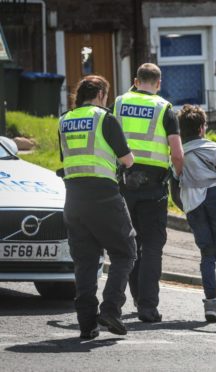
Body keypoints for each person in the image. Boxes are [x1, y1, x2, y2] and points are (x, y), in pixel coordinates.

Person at [58, 75, 137, 339]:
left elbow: (66, 158)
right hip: (103, 197)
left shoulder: (64, 120)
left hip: (73, 199)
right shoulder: (105, 118)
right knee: (125, 252)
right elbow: (126, 159)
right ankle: (111, 309)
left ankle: (86, 324)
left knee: (85, 263)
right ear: (101, 94)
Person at [112, 63, 184, 323]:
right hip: (153, 187)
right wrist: (179, 176)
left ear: (135, 80)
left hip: (124, 182)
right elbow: (177, 154)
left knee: (130, 244)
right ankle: (148, 307)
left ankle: (136, 297)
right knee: (152, 246)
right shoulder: (165, 108)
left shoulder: (119, 103)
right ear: (159, 83)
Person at [175, 104, 216, 322]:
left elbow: (175, 186)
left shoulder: (178, 154)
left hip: (193, 203)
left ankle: (211, 304)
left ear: (181, 129)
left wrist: (185, 206)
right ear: (202, 127)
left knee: (206, 253)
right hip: (214, 198)